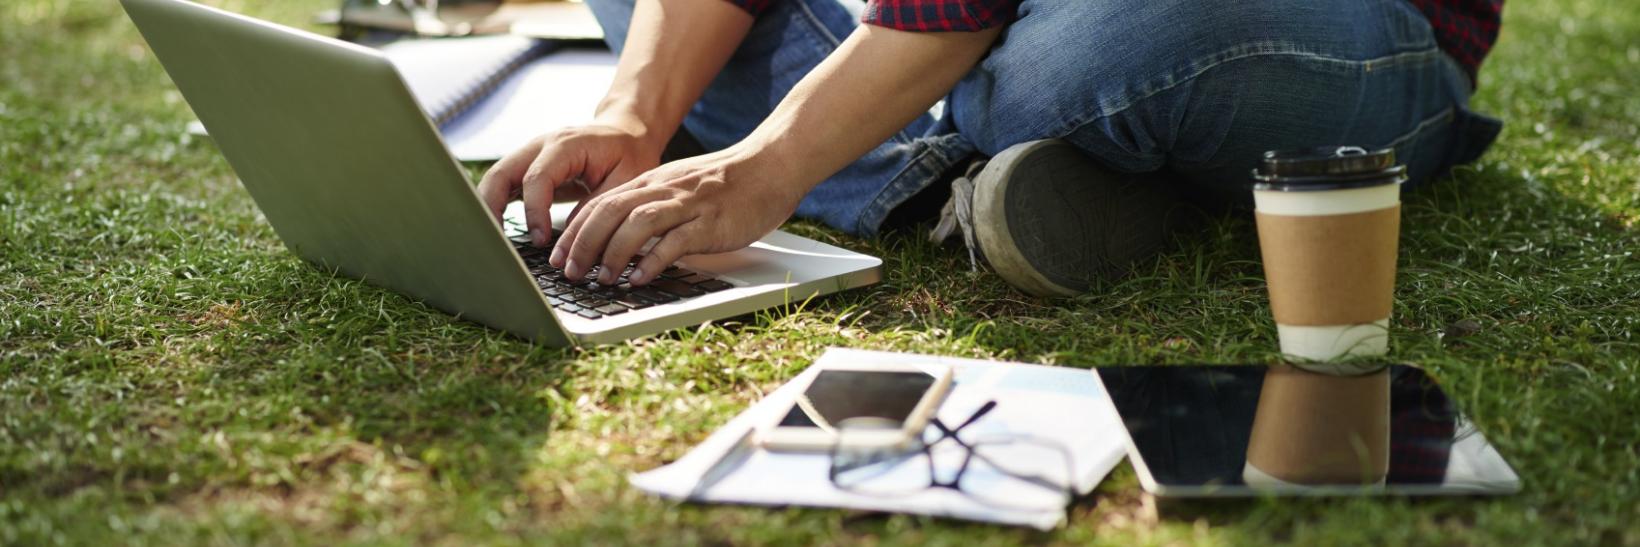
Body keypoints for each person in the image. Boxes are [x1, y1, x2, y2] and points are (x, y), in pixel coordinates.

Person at [476, 0, 1504, 296]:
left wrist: (771, 162)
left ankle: (921, 151)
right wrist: (634, 112)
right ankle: (1024, 161)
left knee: (1094, 54)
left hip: (1334, 24)